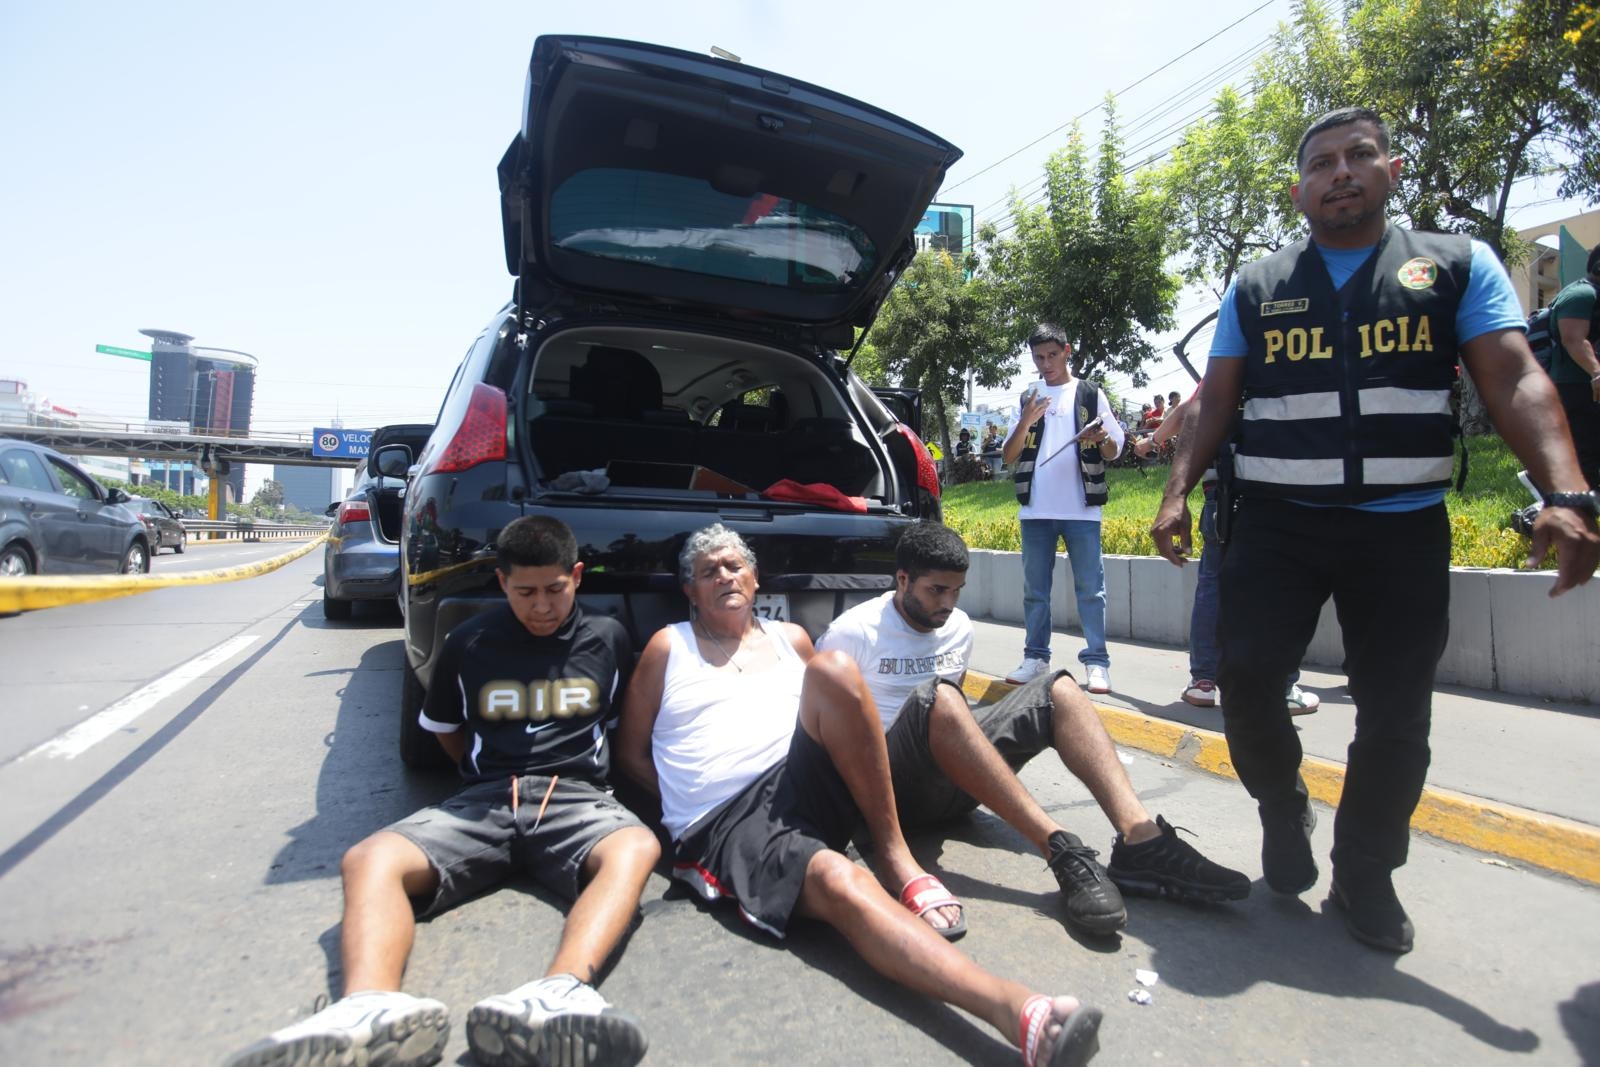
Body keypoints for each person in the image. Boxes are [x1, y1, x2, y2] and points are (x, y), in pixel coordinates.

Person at [1152, 107, 1600, 955]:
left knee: (1396, 717)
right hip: (1277, 526)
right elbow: (1216, 398)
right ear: (1299, 191)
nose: (1341, 172)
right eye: (1321, 163)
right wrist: (1178, 491)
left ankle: (1364, 871)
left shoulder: (1458, 266)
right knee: (1243, 683)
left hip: (1401, 531)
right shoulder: (1256, 284)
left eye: (1360, 156)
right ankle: (1283, 804)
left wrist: (1567, 491)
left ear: (1393, 170)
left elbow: (1516, 378)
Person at [616, 524, 1105, 1067]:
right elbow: (631, 754)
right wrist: (687, 806)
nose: (725, 576)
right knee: (838, 879)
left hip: (806, 779)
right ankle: (1020, 1012)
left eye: (735, 567)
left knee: (836, 671)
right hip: (732, 813)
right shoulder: (670, 646)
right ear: (690, 591)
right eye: (709, 572)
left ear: (756, 580)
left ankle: (895, 856)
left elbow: (833, 718)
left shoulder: (791, 639)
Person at [226, 516, 659, 1067]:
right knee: (370, 858)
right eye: (525, 592)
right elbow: (446, 730)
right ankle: (368, 1010)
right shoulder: (468, 641)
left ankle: (560, 995)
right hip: (483, 800)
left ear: (576, 576)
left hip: (576, 796)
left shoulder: (608, 637)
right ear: (502, 583)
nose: (543, 606)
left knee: (636, 847)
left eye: (555, 589)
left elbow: (621, 723)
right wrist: (483, 778)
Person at [816, 522, 1249, 937]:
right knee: (944, 697)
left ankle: (1142, 841)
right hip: (888, 790)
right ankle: (1061, 849)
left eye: (956, 591)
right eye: (936, 590)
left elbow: (955, 725)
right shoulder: (853, 633)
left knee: (1058, 687)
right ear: (903, 579)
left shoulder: (957, 629)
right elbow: (819, 727)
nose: (947, 604)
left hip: (949, 787)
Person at [1135, 392, 1321, 715]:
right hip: (1277, 496)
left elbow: (1186, 412)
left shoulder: (1227, 365)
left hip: (1220, 499)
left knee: (1211, 588)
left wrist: (1151, 441)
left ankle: (1203, 682)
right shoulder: (1279, 366)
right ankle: (1284, 687)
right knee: (1282, 591)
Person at [1001, 324, 1125, 694]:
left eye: (1052, 355)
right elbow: (1009, 456)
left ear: (1066, 351)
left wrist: (1100, 437)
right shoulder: (1027, 396)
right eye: (1038, 357)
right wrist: (1027, 419)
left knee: (1091, 589)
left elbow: (1113, 450)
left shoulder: (1089, 392)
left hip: (1081, 510)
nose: (1046, 364)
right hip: (1036, 510)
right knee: (1035, 590)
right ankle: (1036, 657)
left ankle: (1097, 662)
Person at [1546, 244, 1600, 489]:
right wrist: (1596, 373)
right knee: (1584, 451)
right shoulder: (1582, 295)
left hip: (1588, 387)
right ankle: (1580, 507)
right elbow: (1573, 338)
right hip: (1576, 387)